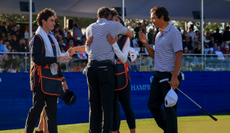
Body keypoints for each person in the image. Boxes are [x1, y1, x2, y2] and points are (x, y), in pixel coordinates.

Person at [24, 8, 73, 133]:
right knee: (37, 109)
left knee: (52, 113)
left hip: (52, 80)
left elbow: (56, 63)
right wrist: (58, 58)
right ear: (43, 21)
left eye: (53, 20)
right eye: (51, 20)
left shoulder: (52, 39)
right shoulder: (36, 38)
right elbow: (37, 59)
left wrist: (62, 79)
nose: (53, 23)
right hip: (40, 79)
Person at [85, 7, 133, 133]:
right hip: (106, 68)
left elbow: (88, 50)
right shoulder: (113, 25)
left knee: (94, 105)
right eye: (111, 18)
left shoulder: (89, 27)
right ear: (108, 16)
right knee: (107, 106)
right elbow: (131, 34)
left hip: (91, 67)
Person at [139, 6, 183, 133]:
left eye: (153, 18)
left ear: (162, 17)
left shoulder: (174, 32)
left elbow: (179, 55)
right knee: (152, 105)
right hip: (158, 75)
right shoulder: (158, 34)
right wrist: (146, 44)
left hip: (170, 76)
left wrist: (174, 77)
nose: (151, 21)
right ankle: (169, 130)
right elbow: (155, 56)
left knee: (170, 109)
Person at [106, 15, 136, 133]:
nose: (114, 21)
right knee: (112, 107)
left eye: (117, 20)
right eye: (112, 20)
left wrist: (113, 44)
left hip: (122, 74)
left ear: (121, 24)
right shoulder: (106, 37)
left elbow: (123, 59)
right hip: (109, 74)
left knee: (126, 107)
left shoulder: (125, 38)